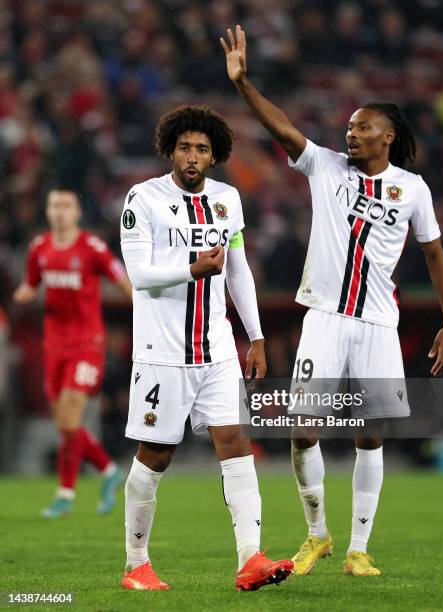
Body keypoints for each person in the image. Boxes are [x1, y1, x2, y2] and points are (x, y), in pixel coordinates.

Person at [221, 26, 443, 577]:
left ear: (388, 135)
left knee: (368, 432)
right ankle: (317, 536)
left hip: (378, 323)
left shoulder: (412, 189)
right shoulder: (325, 166)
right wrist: (243, 83)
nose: (350, 133)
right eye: (349, 126)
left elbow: (436, 255)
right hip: (325, 319)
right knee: (304, 428)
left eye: (362, 126)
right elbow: (281, 129)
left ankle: (358, 548)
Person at [119, 105, 293, 591]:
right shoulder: (144, 198)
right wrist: (192, 268)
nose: (192, 156)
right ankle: (136, 565)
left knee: (236, 444)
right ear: (170, 150)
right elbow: (139, 275)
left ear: (215, 155)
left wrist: (255, 335)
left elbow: (237, 270)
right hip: (163, 351)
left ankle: (251, 558)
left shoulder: (228, 200)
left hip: (215, 348)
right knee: (156, 454)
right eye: (184, 148)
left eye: (201, 149)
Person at [13, 189, 133, 518]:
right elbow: (31, 283)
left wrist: (141, 307)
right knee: (65, 424)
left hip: (87, 345)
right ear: (49, 211)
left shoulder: (91, 248)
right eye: (55, 206)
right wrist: (23, 293)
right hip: (54, 346)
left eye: (67, 206)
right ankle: (109, 471)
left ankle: (65, 494)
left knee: (68, 420)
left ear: (77, 212)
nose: (60, 211)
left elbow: (120, 277)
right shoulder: (39, 249)